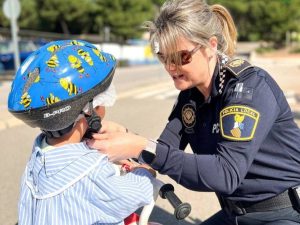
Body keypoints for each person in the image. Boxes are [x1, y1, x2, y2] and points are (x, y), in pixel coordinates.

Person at [86, 0, 300, 224]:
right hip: (234, 214)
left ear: (211, 46)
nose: (170, 67)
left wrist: (140, 146)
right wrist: (125, 137)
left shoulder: (248, 88)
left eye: (181, 57)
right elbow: (165, 149)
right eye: (164, 57)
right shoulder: (191, 96)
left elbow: (225, 174)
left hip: (283, 212)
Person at [8, 40, 156, 225]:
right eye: (102, 100)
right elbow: (137, 193)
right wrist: (144, 171)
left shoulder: (36, 158)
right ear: (89, 109)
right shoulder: (92, 173)